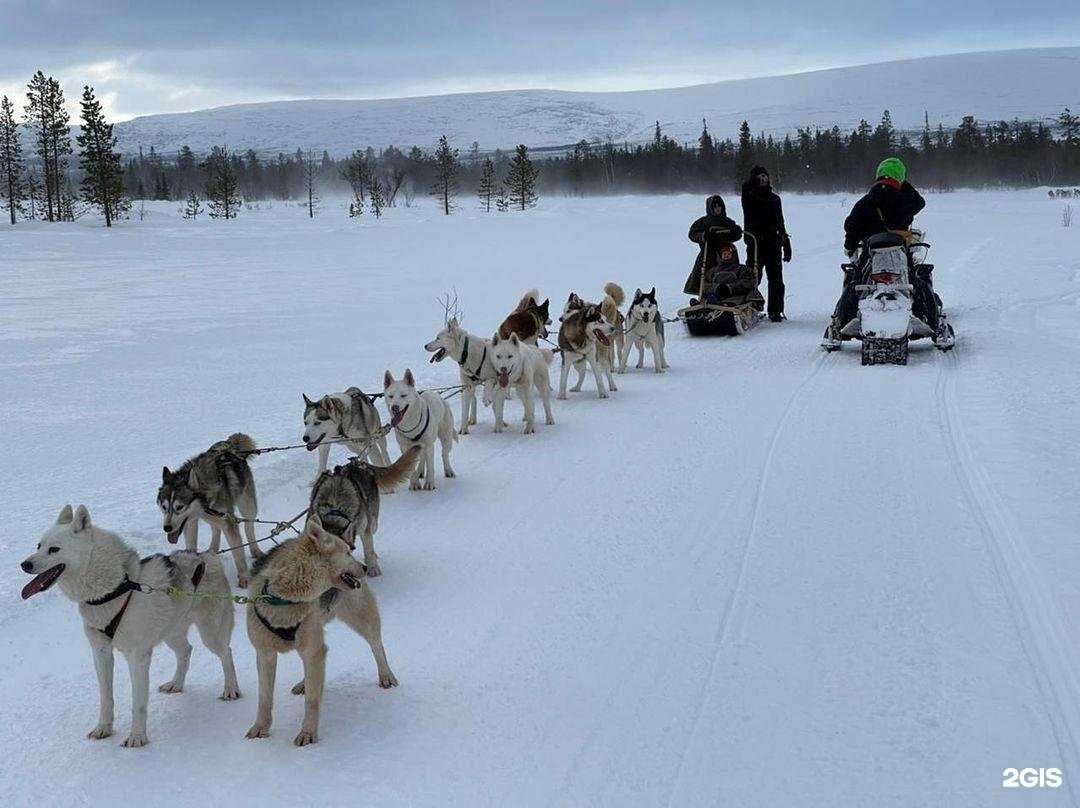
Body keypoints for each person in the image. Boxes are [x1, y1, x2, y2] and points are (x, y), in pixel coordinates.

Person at [827, 158, 937, 338]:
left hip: (871, 254)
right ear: (900, 177)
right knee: (916, 282)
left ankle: (843, 320)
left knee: (855, 282)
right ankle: (929, 319)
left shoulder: (866, 202)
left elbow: (851, 226)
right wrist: (902, 184)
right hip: (900, 252)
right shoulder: (906, 199)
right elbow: (920, 202)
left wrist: (850, 246)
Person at [740, 166, 792, 322]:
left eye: (765, 176)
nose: (763, 179)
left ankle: (775, 311)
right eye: (759, 177)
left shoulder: (775, 199)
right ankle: (748, 305)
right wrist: (752, 180)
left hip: (773, 243)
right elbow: (745, 189)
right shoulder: (749, 196)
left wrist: (785, 241)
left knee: (776, 279)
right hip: (755, 244)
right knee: (753, 277)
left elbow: (780, 221)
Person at [684, 194, 754, 303]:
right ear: (710, 208)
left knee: (729, 275)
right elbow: (692, 234)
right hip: (708, 253)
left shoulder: (727, 221)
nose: (717, 209)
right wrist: (704, 236)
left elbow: (736, 234)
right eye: (715, 207)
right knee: (707, 277)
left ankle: (729, 297)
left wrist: (735, 232)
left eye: (719, 206)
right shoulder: (703, 222)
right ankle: (705, 298)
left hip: (727, 252)